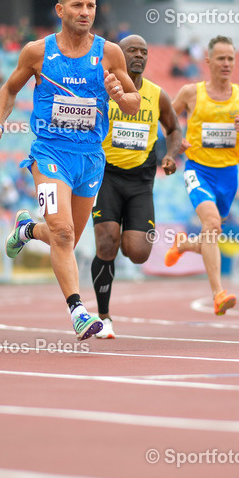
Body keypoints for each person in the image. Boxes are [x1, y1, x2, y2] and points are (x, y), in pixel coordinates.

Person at [0, 0, 141, 340]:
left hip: (90, 159)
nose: (85, 12)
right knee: (64, 232)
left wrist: (120, 96)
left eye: (90, 6)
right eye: (77, 5)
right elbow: (9, 89)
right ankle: (78, 311)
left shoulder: (110, 53)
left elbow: (134, 103)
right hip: (50, 153)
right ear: (60, 10)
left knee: (63, 238)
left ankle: (26, 230)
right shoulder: (37, 52)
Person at [90, 34, 183, 338]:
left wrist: (170, 155)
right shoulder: (103, 88)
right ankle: (104, 316)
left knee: (139, 252)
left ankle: (123, 234)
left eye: (144, 51)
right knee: (107, 242)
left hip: (141, 180)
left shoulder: (157, 95)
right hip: (106, 174)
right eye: (132, 50)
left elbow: (174, 129)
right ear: (119, 54)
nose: (139, 55)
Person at [164, 36, 239, 315]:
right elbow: (165, 120)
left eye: (230, 58)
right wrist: (176, 141)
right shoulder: (190, 93)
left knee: (212, 233)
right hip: (198, 171)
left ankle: (184, 244)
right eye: (221, 58)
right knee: (212, 223)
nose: (226, 63)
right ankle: (219, 294)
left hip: (229, 175)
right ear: (208, 61)